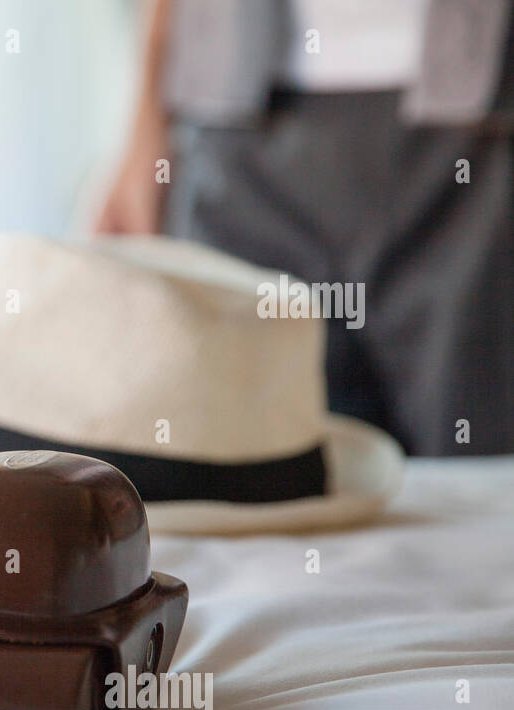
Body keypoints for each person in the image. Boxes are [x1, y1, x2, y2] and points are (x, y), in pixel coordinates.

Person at [96, 0, 514, 456]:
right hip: (238, 128)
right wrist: (145, 129)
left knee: (480, 470)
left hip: (478, 128)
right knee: (251, 473)